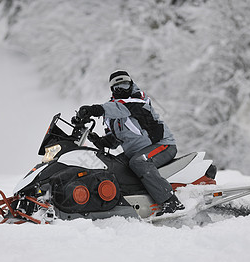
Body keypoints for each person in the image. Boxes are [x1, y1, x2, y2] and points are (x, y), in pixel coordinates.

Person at [77, 70, 184, 216]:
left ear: (131, 84)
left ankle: (170, 201)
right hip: (135, 152)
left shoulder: (138, 101)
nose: (122, 89)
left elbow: (122, 107)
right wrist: (97, 140)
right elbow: (114, 140)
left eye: (125, 84)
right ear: (112, 90)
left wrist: (94, 110)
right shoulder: (113, 113)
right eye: (117, 87)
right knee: (111, 166)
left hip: (162, 145)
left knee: (139, 162)